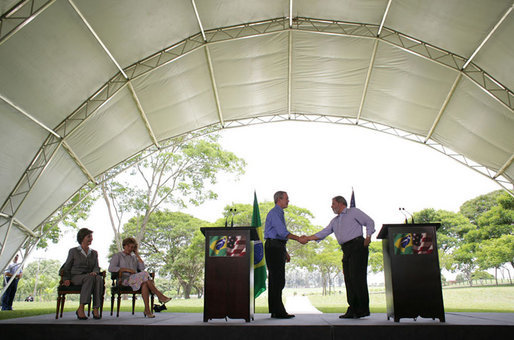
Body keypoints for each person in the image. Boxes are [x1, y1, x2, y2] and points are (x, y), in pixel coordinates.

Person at [303, 196, 375, 319]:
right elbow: (324, 232)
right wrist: (307, 238)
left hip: (357, 246)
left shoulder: (353, 212)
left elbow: (369, 222)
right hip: (346, 249)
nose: (331, 206)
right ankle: (353, 308)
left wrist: (368, 237)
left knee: (357, 278)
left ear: (341, 203)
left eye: (333, 203)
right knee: (348, 278)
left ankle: (362, 309)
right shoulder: (335, 221)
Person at [264, 191, 306, 319]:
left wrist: (285, 251)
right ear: (279, 199)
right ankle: (278, 311)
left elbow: (278, 235)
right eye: (286, 199)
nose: (288, 201)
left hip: (277, 246)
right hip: (274, 247)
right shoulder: (275, 213)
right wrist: (298, 238)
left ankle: (276, 310)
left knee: (276, 279)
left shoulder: (278, 213)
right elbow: (282, 232)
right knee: (277, 279)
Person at [109, 237, 171, 318]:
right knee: (145, 275)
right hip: (124, 280)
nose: (130, 249)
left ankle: (147, 310)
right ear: (124, 246)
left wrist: (137, 254)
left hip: (135, 280)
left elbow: (142, 267)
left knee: (145, 284)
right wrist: (126, 269)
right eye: (128, 246)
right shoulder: (118, 256)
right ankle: (160, 295)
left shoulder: (134, 257)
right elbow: (111, 268)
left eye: (132, 247)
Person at [61, 228, 103, 320]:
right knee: (90, 278)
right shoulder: (73, 251)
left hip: (89, 276)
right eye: (89, 237)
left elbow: (96, 266)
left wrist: (95, 272)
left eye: (91, 237)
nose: (91, 239)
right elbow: (67, 267)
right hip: (76, 277)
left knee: (98, 278)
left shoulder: (94, 253)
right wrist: (66, 279)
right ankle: (81, 308)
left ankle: (96, 308)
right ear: (82, 238)